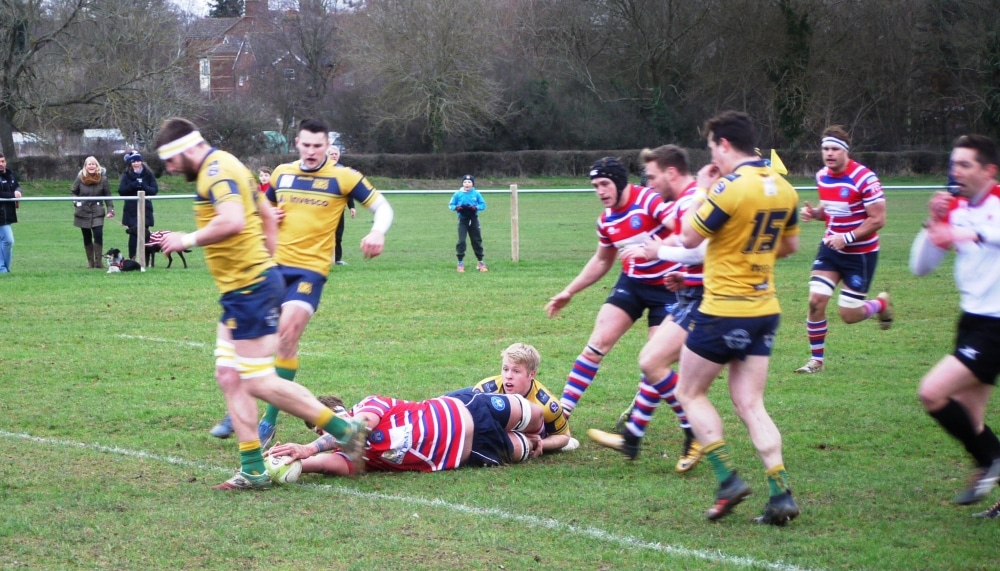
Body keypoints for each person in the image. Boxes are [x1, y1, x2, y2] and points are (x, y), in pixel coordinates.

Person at [153, 117, 370, 490]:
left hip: (249, 288)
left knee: (257, 380)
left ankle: (344, 429)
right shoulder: (229, 162)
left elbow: (234, 220)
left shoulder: (215, 174)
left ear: (187, 151)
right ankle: (253, 467)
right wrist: (267, 262)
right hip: (245, 287)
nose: (169, 168)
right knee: (229, 375)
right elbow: (268, 215)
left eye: (170, 160)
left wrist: (186, 239)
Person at [210, 118, 393, 446]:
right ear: (297, 143)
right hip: (273, 268)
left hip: (310, 271)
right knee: (258, 339)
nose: (311, 152)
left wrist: (378, 230)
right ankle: (244, 398)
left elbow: (382, 207)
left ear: (327, 147)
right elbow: (261, 209)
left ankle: (268, 421)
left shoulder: (344, 177)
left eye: (317, 146)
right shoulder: (281, 173)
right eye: (305, 145)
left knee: (286, 333)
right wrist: (269, 214)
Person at [674, 110, 801, 525]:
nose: (712, 155)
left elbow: (690, 236)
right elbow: (790, 246)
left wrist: (702, 189)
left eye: (712, 147)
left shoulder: (729, 186)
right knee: (750, 403)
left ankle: (727, 478)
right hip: (765, 308)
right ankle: (780, 493)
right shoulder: (783, 187)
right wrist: (752, 251)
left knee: (689, 393)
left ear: (724, 145)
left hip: (725, 308)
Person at [587, 145, 706, 471]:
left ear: (670, 173)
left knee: (741, 399)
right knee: (653, 362)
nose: (647, 185)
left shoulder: (691, 201)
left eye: (651, 177)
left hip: (711, 299)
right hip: (693, 293)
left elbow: (698, 246)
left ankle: (705, 446)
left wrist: (655, 252)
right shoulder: (689, 198)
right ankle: (634, 437)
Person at [545, 157, 677, 419]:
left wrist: (653, 250)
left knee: (655, 358)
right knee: (596, 345)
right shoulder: (606, 221)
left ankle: (639, 412)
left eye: (604, 184)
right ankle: (562, 415)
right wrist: (569, 291)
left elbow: (686, 231)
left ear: (619, 181)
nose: (600, 192)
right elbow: (602, 260)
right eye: (595, 186)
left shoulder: (649, 201)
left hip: (669, 288)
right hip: (633, 284)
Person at [911, 134, 1000, 517]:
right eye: (953, 164)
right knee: (972, 418)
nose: (955, 171)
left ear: (989, 170)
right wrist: (935, 222)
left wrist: (966, 233)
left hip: (996, 325)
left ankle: (990, 461)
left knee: (932, 392)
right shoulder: (956, 207)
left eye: (965, 164)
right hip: (972, 320)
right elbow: (921, 267)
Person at [795, 126, 893, 374]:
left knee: (848, 315)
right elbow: (831, 211)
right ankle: (816, 361)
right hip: (830, 249)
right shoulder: (821, 177)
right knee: (815, 301)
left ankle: (881, 303)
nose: (829, 153)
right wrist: (815, 213)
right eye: (825, 148)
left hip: (861, 255)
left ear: (846, 152)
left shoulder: (865, 178)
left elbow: (878, 219)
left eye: (835, 149)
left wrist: (847, 237)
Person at [266, 391, 543, 477]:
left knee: (540, 417)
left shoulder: (367, 406)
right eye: (319, 428)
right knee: (533, 447)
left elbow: (355, 429)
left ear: (340, 410)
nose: (324, 429)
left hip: (470, 408)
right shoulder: (351, 457)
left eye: (326, 421)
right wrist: (291, 461)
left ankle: (560, 428)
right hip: (474, 450)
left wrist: (309, 448)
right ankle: (557, 442)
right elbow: (322, 464)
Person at [451, 342, 578, 454]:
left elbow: (564, 436)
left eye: (516, 371)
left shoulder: (546, 404)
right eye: (505, 369)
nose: (508, 376)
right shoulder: (485, 390)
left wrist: (542, 444)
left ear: (531, 374)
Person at [72, 156, 115, 269]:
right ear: (85, 166)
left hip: (97, 211)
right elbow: (74, 192)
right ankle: (90, 263)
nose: (91, 166)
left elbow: (108, 196)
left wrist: (110, 209)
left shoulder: (103, 179)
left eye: (93, 164)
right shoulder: (80, 178)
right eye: (89, 164)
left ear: (97, 166)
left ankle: (98, 262)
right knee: (87, 236)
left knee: (98, 234)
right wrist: (76, 202)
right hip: (83, 212)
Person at [118, 153, 159, 261]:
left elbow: (154, 190)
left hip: (145, 208)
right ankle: (132, 258)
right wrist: (132, 185)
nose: (136, 163)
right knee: (133, 234)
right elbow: (121, 191)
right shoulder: (127, 175)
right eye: (133, 162)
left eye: (138, 161)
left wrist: (144, 186)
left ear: (141, 162)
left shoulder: (148, 174)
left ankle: (145, 259)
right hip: (131, 209)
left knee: (145, 234)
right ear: (131, 163)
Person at [449, 174, 487, 273]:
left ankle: (480, 262)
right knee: (461, 241)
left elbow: (483, 205)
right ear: (462, 183)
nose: (467, 184)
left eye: (469, 182)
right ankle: (460, 263)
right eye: (465, 182)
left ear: (472, 184)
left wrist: (476, 207)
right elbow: (451, 205)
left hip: (474, 220)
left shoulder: (476, 194)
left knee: (476, 240)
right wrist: (456, 208)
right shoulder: (457, 194)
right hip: (463, 220)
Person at [327, 144, 356, 266]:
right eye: (331, 154)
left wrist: (351, 207)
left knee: (338, 235)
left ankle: (337, 259)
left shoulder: (343, 171)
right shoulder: (320, 170)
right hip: (323, 209)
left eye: (336, 154)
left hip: (338, 210)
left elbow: (348, 191)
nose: (334, 156)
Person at [0, 153, 22, 274]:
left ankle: (4, 269)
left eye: (2, 161)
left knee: (4, 241)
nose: (1, 164)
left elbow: (17, 186)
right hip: (1, 215)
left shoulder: (9, 174)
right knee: (8, 240)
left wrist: (18, 191)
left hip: (7, 213)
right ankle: (3, 268)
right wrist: (12, 195)